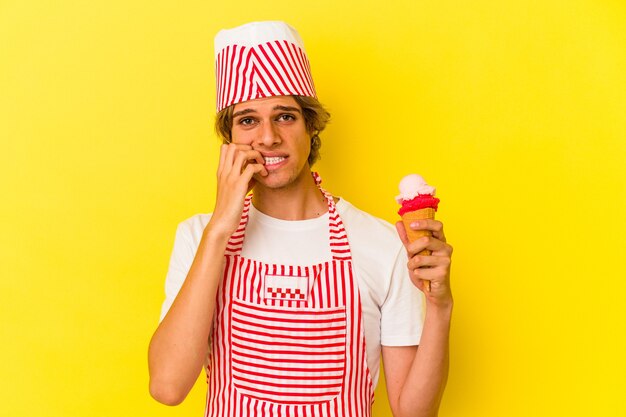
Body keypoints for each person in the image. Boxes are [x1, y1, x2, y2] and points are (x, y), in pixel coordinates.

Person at [148, 21, 453, 417]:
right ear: (230, 141)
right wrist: (221, 226)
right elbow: (168, 387)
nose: (268, 137)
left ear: (311, 125)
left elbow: (414, 413)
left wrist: (441, 307)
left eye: (285, 116)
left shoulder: (382, 245)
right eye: (247, 120)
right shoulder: (198, 238)